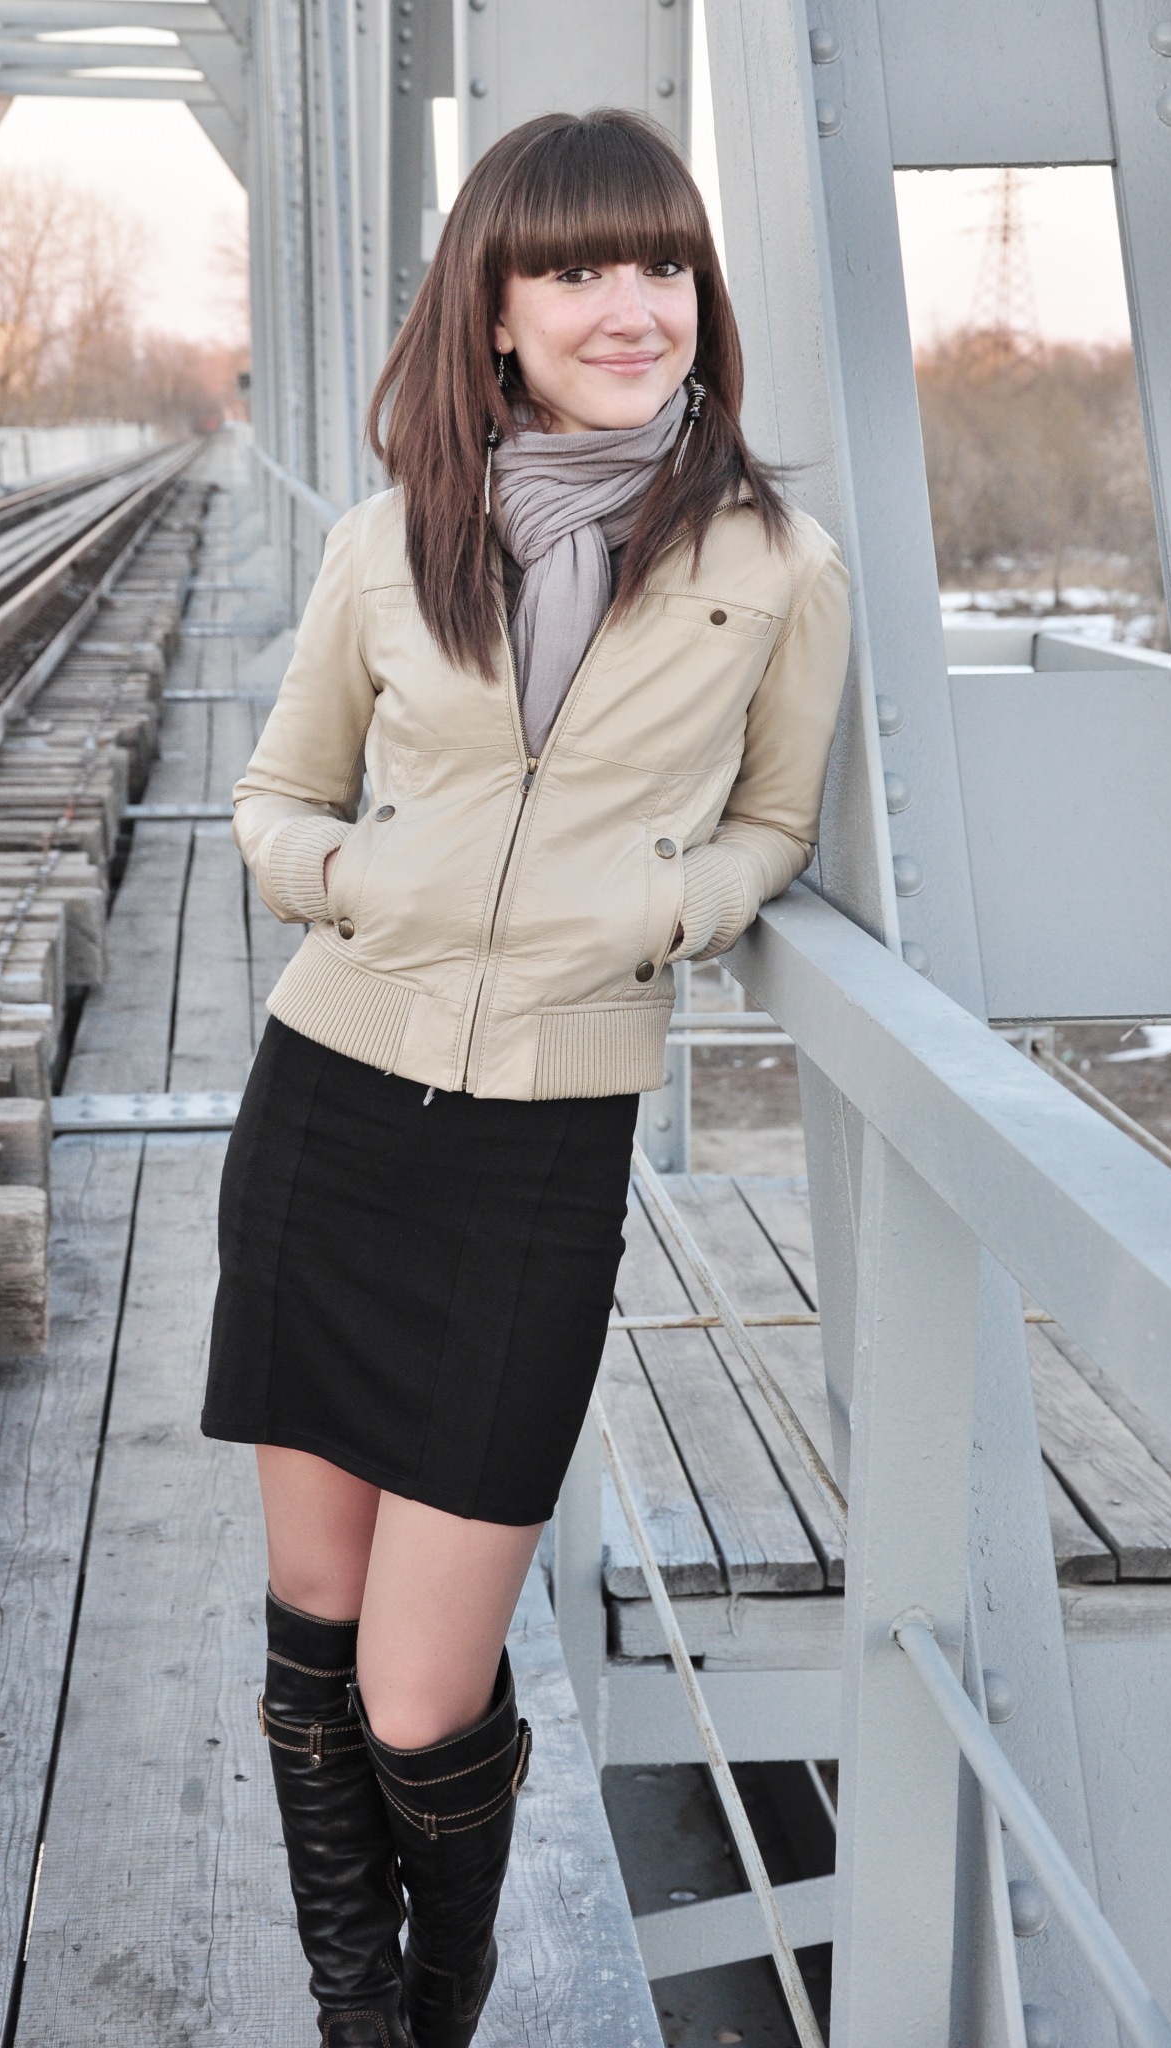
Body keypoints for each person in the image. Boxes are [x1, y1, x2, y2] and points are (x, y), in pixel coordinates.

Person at [202, 107, 851, 2048]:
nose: (628, 304)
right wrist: (363, 882)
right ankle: (370, 2023)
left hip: (540, 1163)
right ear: (493, 311)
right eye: (573, 269)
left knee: (417, 1696)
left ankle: (444, 1982)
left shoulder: (775, 566)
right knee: (313, 1649)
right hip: (329, 1111)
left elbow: (775, 824)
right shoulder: (385, 542)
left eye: (661, 264)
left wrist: (668, 905)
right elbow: (273, 803)